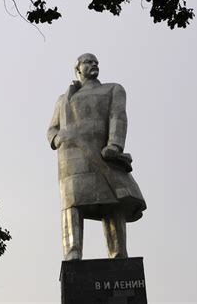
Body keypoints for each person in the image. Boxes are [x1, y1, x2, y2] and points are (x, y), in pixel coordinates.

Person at [47, 53, 146, 261]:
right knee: (71, 205)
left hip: (100, 153)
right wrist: (57, 139)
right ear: (78, 69)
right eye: (88, 62)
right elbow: (52, 128)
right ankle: (72, 251)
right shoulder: (63, 98)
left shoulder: (112, 89)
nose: (94, 65)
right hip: (70, 159)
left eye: (96, 62)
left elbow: (117, 116)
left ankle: (118, 252)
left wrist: (114, 144)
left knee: (111, 200)